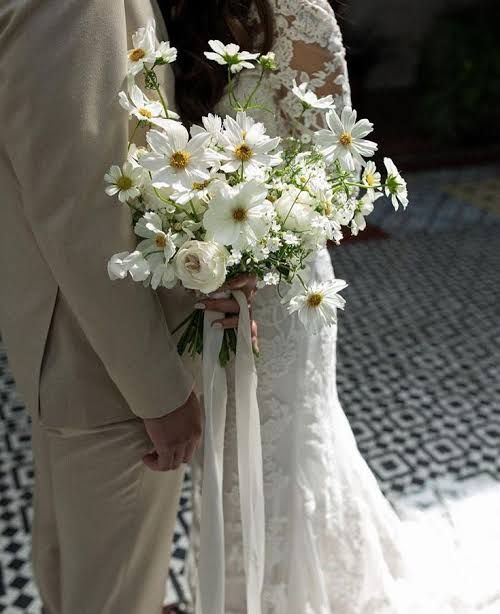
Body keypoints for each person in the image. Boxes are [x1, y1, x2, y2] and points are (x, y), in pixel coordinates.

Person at [158, 1, 468, 612]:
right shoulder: (176, 13)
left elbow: (337, 177)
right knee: (224, 468)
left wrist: (251, 246)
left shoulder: (300, 15)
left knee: (284, 455)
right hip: (196, 287)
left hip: (282, 294)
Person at [0, 2, 255, 613]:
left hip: (75, 346)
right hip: (104, 362)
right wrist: (160, 392)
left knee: (80, 589)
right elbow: (82, 207)